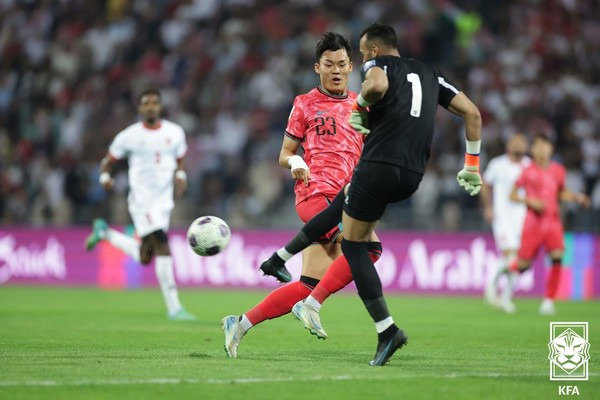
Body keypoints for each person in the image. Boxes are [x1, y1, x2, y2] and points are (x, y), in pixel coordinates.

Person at [294, 23, 482, 366]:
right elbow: (472, 112)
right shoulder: (432, 74)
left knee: (353, 246)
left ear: (373, 52)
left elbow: (377, 85)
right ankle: (310, 294)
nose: (360, 64)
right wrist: (471, 165)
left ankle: (385, 329)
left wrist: (360, 106)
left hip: (378, 166)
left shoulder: (376, 66)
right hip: (412, 175)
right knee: (363, 239)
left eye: (362, 56)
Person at [221, 33, 382, 358]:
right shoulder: (304, 103)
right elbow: (284, 153)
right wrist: (296, 161)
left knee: (308, 282)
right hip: (315, 194)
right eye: (328, 64)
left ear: (351, 66)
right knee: (368, 249)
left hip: (347, 199)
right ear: (316, 67)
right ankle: (313, 306)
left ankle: (239, 323)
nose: (336, 70)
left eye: (341, 64)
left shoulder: (361, 105)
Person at [85, 88, 195, 321]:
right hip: (142, 201)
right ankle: (175, 308)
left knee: (146, 256)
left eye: (155, 102)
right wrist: (105, 178)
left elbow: (180, 160)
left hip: (164, 201)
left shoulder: (175, 132)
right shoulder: (129, 136)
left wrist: (181, 176)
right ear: (140, 108)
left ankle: (105, 233)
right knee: (163, 247)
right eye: (147, 103)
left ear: (161, 106)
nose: (151, 107)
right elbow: (108, 162)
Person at [507, 134, 590, 315]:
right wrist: (530, 201)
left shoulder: (558, 170)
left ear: (551, 149)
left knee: (557, 257)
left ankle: (549, 301)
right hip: (533, 224)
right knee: (523, 265)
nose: (542, 149)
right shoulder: (527, 171)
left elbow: (560, 193)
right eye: (538, 146)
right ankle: (506, 283)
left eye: (545, 145)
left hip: (553, 222)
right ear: (533, 150)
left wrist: (577, 197)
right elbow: (512, 195)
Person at [481, 133, 530, 313]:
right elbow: (485, 185)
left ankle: (497, 288)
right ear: (508, 145)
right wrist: (488, 207)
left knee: (518, 259)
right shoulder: (497, 164)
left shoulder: (529, 165)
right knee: (513, 257)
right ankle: (502, 295)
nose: (519, 145)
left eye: (522, 142)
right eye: (515, 141)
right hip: (503, 218)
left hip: (523, 219)